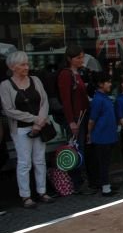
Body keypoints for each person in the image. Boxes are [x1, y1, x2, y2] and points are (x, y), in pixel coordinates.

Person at [0, 51, 55, 208]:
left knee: (40, 160)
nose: (27, 67)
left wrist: (40, 121)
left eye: (27, 64)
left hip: (40, 126)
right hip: (21, 129)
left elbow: (44, 102)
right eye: (23, 64)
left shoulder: (35, 80)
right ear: (12, 67)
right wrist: (34, 119)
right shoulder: (5, 85)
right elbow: (9, 110)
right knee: (24, 163)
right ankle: (25, 196)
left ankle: (42, 191)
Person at [57, 44, 92, 192]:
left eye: (82, 57)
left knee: (82, 148)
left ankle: (83, 181)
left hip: (83, 115)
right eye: (78, 58)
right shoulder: (66, 75)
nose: (81, 60)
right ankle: (78, 183)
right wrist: (71, 121)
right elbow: (66, 100)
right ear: (69, 59)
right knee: (77, 150)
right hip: (75, 118)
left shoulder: (79, 73)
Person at [87, 72, 118, 196]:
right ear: (100, 84)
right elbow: (92, 120)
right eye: (107, 82)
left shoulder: (104, 97)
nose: (110, 84)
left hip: (108, 135)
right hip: (101, 136)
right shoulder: (98, 99)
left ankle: (106, 184)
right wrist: (89, 134)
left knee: (107, 161)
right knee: (103, 163)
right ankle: (105, 187)